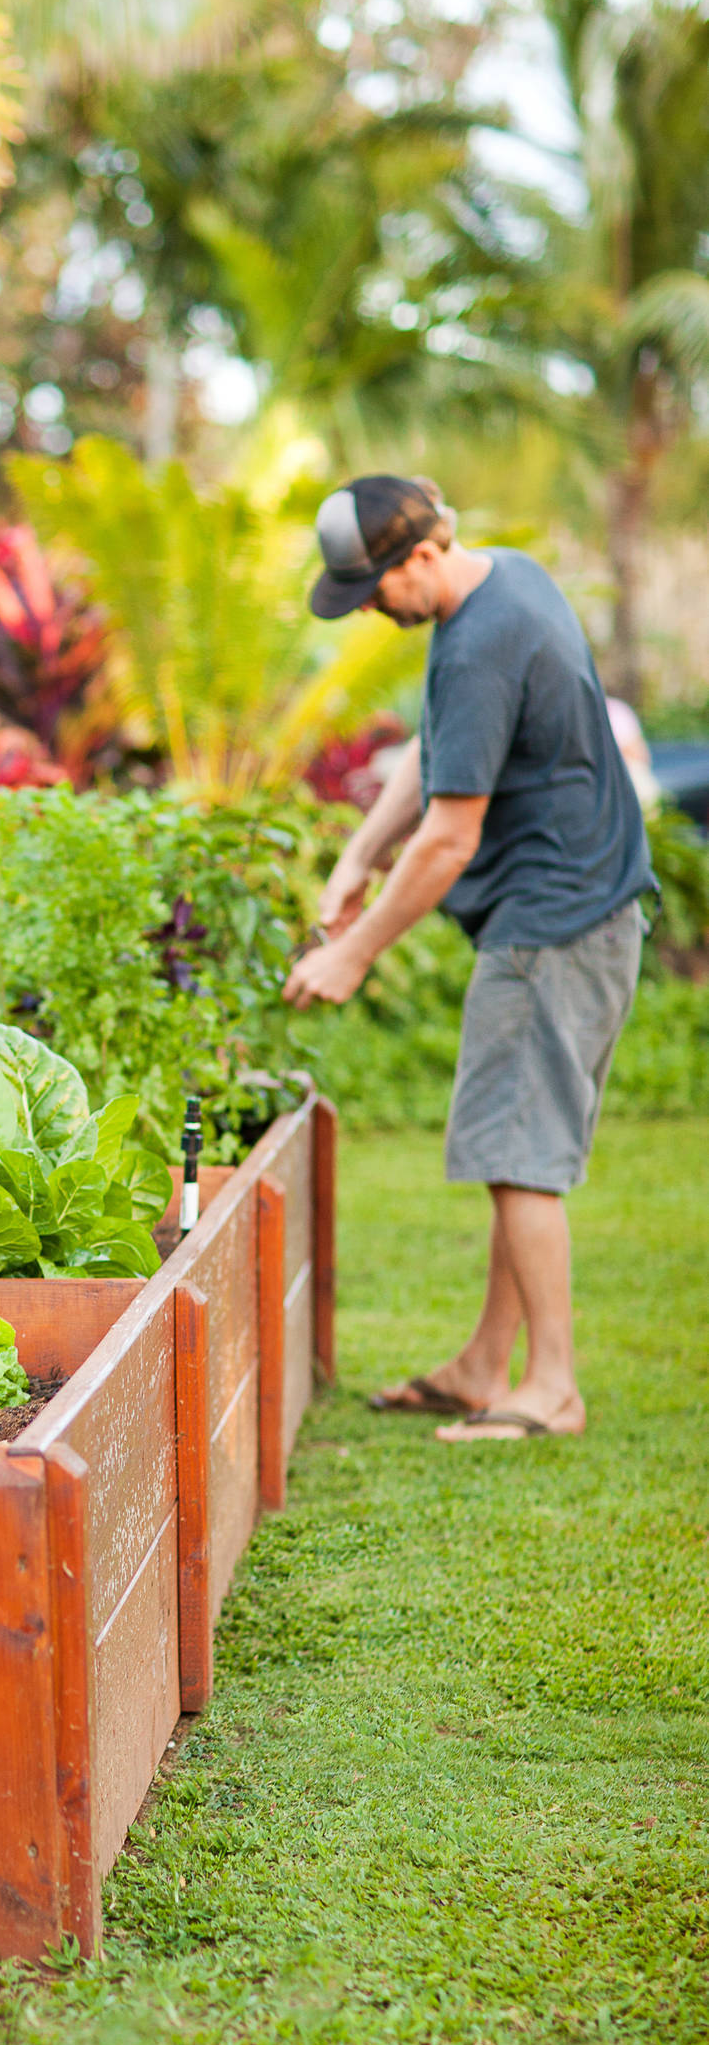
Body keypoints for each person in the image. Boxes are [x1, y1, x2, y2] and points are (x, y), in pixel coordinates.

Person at [282, 474, 654, 1443]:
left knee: (517, 1158)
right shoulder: (502, 584)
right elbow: (437, 747)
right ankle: (485, 1366)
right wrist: (356, 859)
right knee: (511, 1148)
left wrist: (352, 954)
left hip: (552, 924)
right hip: (572, 910)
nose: (366, 607)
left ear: (419, 555)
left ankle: (551, 1389)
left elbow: (449, 838)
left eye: (371, 587)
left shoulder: (482, 636)